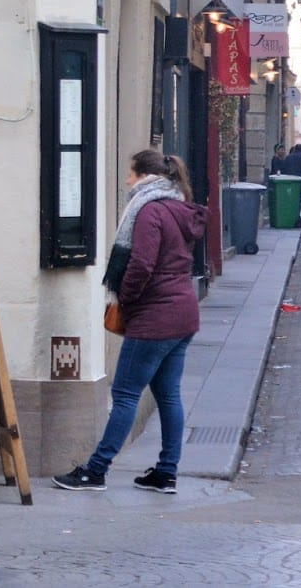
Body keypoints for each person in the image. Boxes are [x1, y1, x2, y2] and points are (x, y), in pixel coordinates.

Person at [53, 148, 204, 494]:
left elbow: (142, 265)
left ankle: (96, 470)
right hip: (183, 313)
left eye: (130, 174)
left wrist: (128, 299)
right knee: (168, 395)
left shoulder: (149, 211)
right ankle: (166, 472)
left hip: (155, 318)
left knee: (124, 394)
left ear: (145, 177)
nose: (126, 180)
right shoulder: (180, 207)